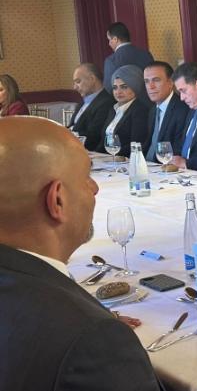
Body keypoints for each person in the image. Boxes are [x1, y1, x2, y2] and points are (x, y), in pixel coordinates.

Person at [0, 117, 164, 390]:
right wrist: (87, 322)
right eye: (87, 177)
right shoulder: (94, 343)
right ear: (57, 200)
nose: (95, 188)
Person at [95, 65, 150, 157]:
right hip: (109, 159)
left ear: (135, 87)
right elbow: (104, 140)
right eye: (115, 87)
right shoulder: (113, 109)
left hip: (126, 160)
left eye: (124, 87)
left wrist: (110, 156)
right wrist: (95, 155)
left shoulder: (140, 111)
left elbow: (136, 143)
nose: (118, 92)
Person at [143, 61, 189, 161]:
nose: (150, 86)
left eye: (156, 80)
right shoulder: (152, 110)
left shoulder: (182, 110)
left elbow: (178, 150)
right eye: (146, 81)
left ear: (171, 82)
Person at [69, 63, 115, 150]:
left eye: (78, 82)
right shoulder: (82, 102)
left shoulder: (107, 103)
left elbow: (93, 136)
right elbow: (73, 126)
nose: (75, 87)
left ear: (92, 79)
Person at [103, 22, 154, 94]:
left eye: (109, 40)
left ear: (115, 39)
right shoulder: (146, 54)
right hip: (148, 98)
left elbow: (109, 88)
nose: (109, 43)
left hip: (125, 99)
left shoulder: (111, 60)